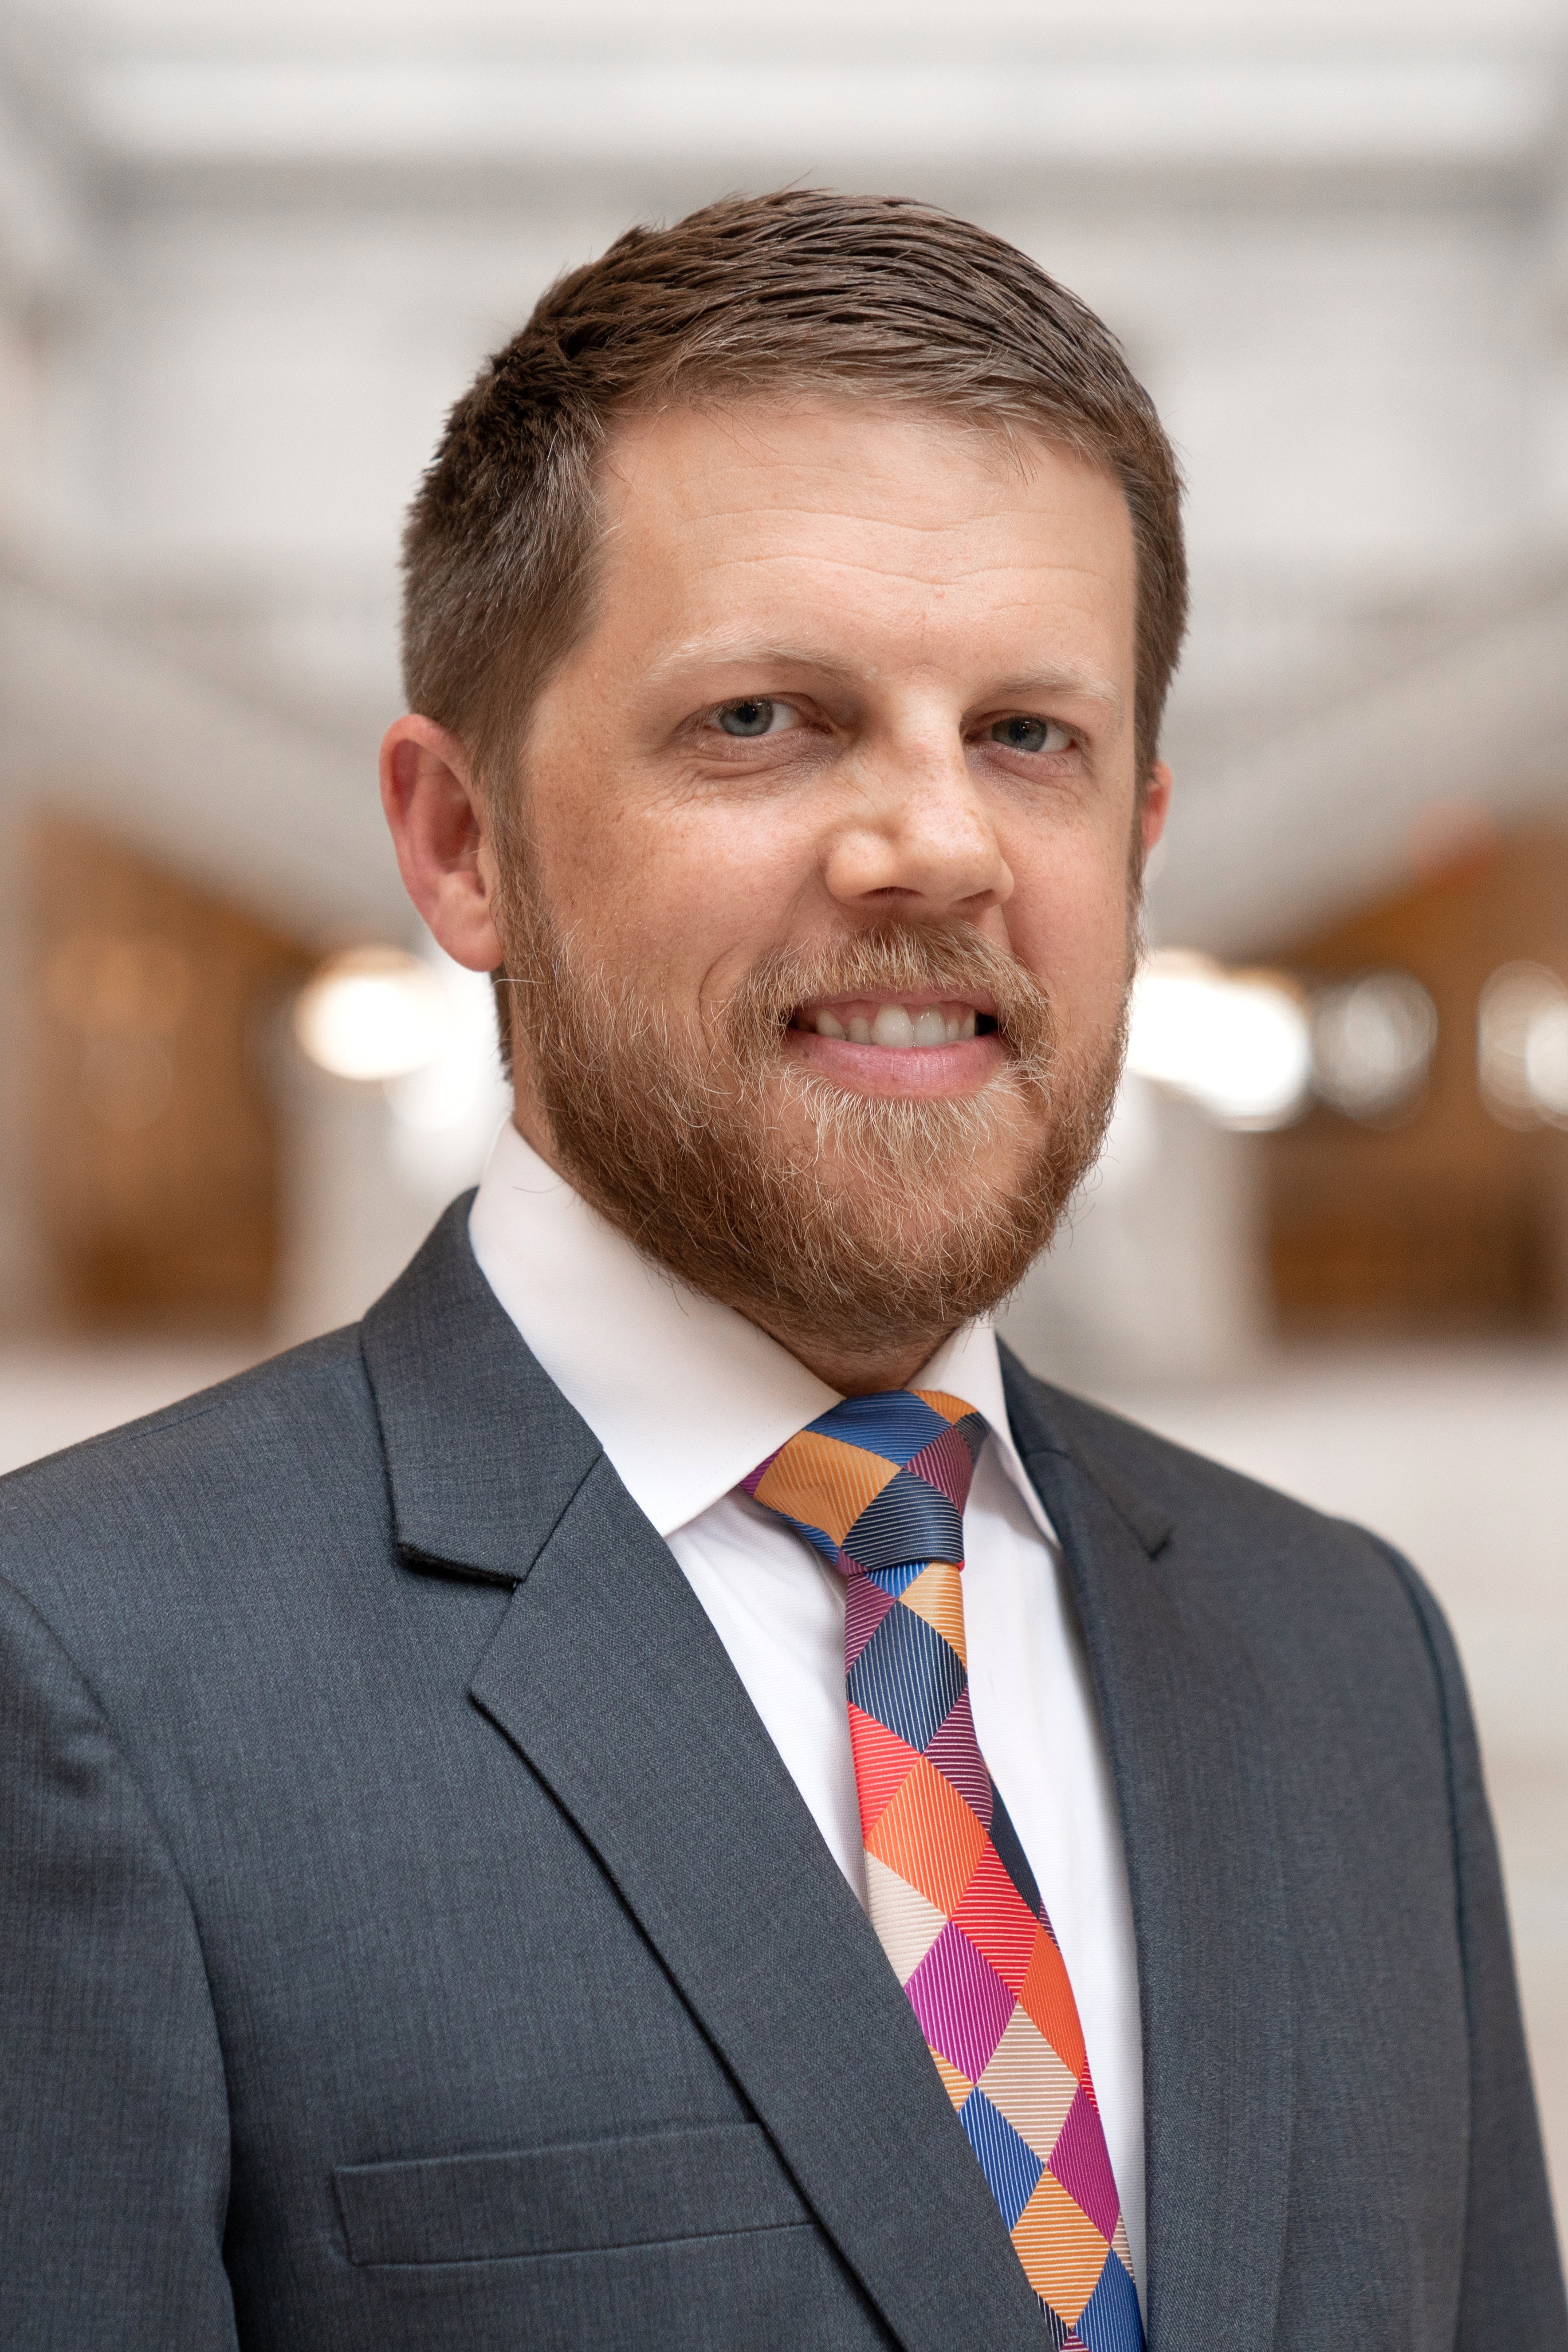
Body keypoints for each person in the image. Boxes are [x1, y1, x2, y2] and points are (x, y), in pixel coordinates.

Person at [1, 190, 1562, 2352]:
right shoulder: (81, 1675)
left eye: (1027, 733)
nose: (927, 843)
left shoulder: (1340, 1657)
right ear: (461, 845)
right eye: (762, 719)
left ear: (1137, 839)